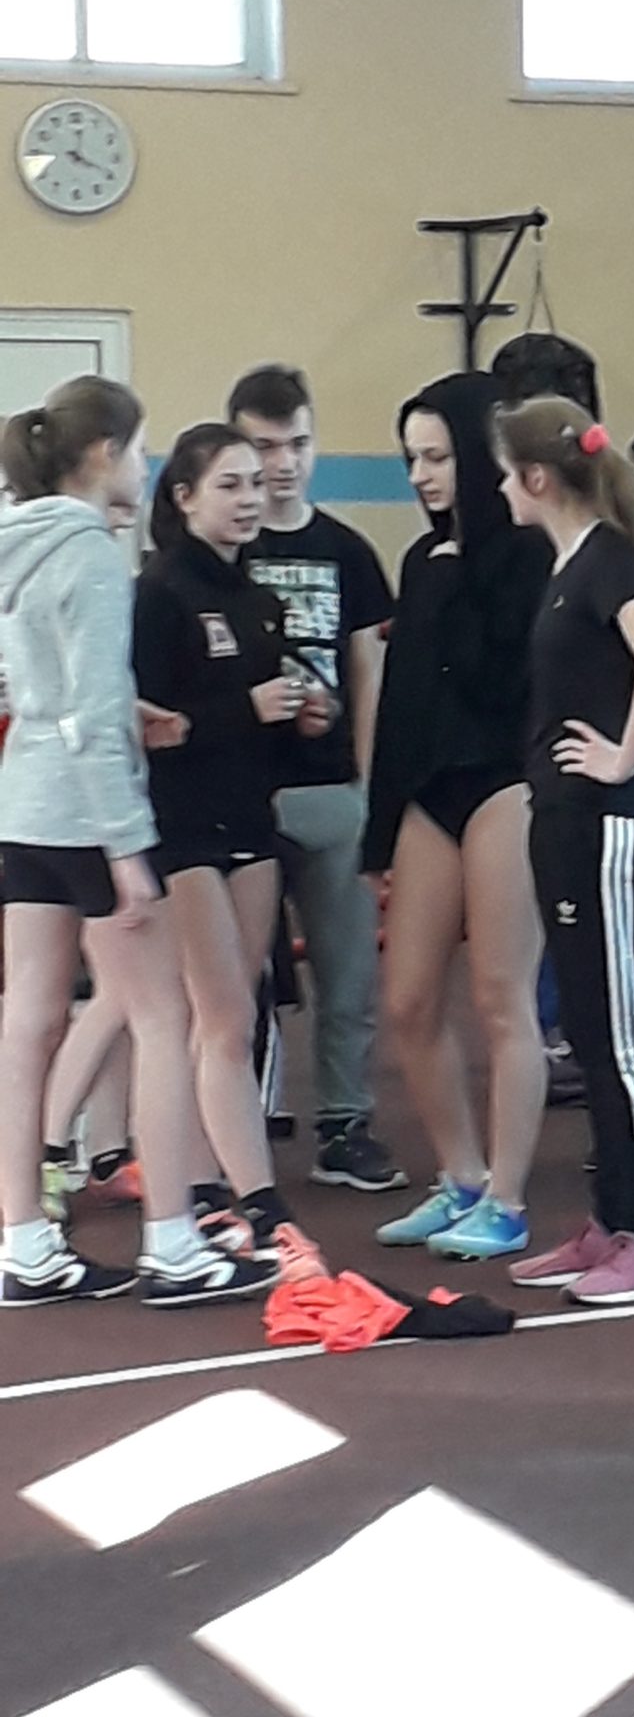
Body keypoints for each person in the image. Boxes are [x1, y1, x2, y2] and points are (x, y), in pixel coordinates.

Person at [0, 379, 273, 1308]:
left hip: (25, 806)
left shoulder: (18, 542)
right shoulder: (87, 551)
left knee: (28, 1018)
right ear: (104, 454)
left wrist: (130, 706)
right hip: (88, 816)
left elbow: (43, 688)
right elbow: (83, 712)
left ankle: (25, 1245)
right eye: (142, 449)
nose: (146, 466)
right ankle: (174, 1246)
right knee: (162, 1018)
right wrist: (124, 847)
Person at [494, 400, 634, 1303]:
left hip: (606, 818)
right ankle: (610, 1220)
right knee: (587, 1025)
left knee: (616, 1032)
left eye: (508, 473)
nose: (503, 488)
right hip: (568, 818)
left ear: (537, 478)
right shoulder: (573, 563)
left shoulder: (609, 559)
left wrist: (623, 757)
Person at [365, 371, 552, 1260]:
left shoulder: (527, 554)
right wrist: (379, 831)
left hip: (506, 782)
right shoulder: (421, 560)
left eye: (437, 457)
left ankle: (507, 1198)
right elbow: (403, 701)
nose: (422, 476)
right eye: (412, 459)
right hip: (430, 789)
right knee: (407, 998)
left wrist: (453, 587)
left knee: (499, 995)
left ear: (478, 457)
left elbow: (502, 681)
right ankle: (461, 1174)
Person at [133, 425, 327, 1273]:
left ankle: (207, 1182)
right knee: (216, 1017)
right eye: (230, 485)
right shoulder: (159, 594)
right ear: (183, 498)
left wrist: (304, 722)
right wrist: (242, 710)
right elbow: (151, 728)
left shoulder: (258, 599)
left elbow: (263, 728)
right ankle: (258, 1201)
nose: (250, 499)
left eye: (256, 483)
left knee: (234, 1014)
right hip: (181, 830)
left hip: (250, 820)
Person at [229, 364, 405, 1194]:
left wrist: (371, 789)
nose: (283, 463)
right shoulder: (223, 551)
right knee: (240, 977)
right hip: (240, 795)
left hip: (332, 789)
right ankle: (237, 1132)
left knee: (347, 974)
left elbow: (367, 672)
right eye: (265, 447)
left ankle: (344, 1124)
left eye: (297, 443)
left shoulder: (347, 551)